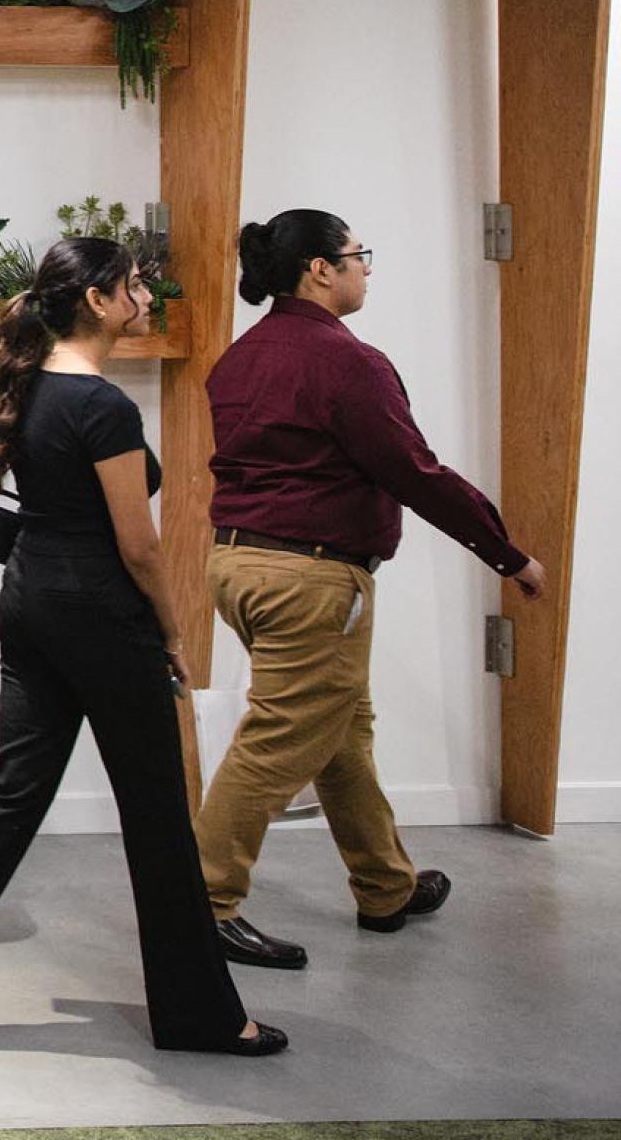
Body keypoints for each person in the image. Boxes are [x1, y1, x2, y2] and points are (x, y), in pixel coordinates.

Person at [0, 239, 285, 1057]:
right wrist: (170, 629)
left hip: (30, 602)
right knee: (159, 815)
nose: (143, 297)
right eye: (132, 286)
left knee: (11, 792)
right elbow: (140, 545)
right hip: (101, 614)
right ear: (97, 300)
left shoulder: (34, 386)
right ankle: (201, 1013)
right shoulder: (104, 407)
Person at [194, 209, 544, 970]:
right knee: (279, 740)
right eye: (359, 256)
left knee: (340, 727)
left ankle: (385, 885)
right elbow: (414, 472)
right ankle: (200, 906)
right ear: (319, 268)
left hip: (237, 566)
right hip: (311, 576)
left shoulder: (239, 358)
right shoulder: (348, 363)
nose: (366, 269)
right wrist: (507, 555)